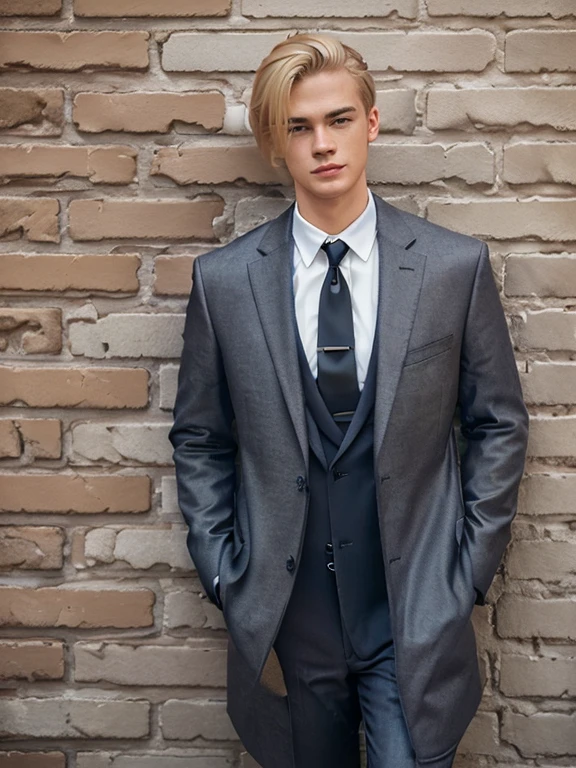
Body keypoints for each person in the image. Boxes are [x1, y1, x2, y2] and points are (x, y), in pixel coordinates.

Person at [169, 33, 529, 768]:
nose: (321, 145)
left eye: (337, 120)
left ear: (371, 122)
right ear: (275, 142)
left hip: (414, 615)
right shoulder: (225, 283)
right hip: (287, 622)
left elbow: (498, 425)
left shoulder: (451, 268)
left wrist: (464, 574)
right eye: (298, 127)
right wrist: (226, 575)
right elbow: (200, 438)